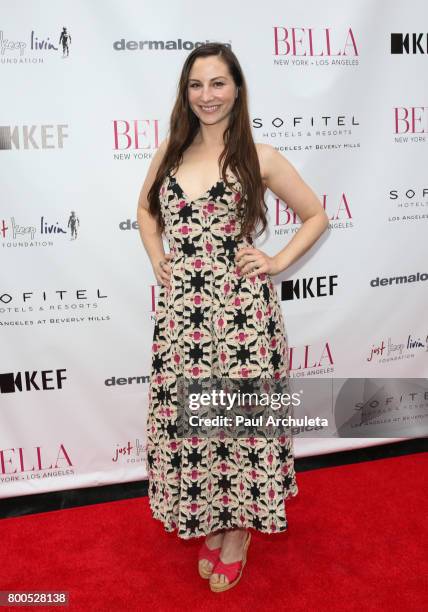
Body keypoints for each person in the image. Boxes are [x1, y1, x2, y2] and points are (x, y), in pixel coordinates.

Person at [137, 42, 329, 593]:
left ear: (237, 89)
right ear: (185, 92)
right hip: (182, 320)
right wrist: (157, 259)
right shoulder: (170, 153)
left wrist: (276, 260)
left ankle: (239, 532)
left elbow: (315, 214)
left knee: (241, 426)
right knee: (198, 426)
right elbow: (146, 212)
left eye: (218, 83)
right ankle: (212, 518)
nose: (207, 96)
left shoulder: (259, 157)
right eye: (196, 85)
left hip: (243, 319)